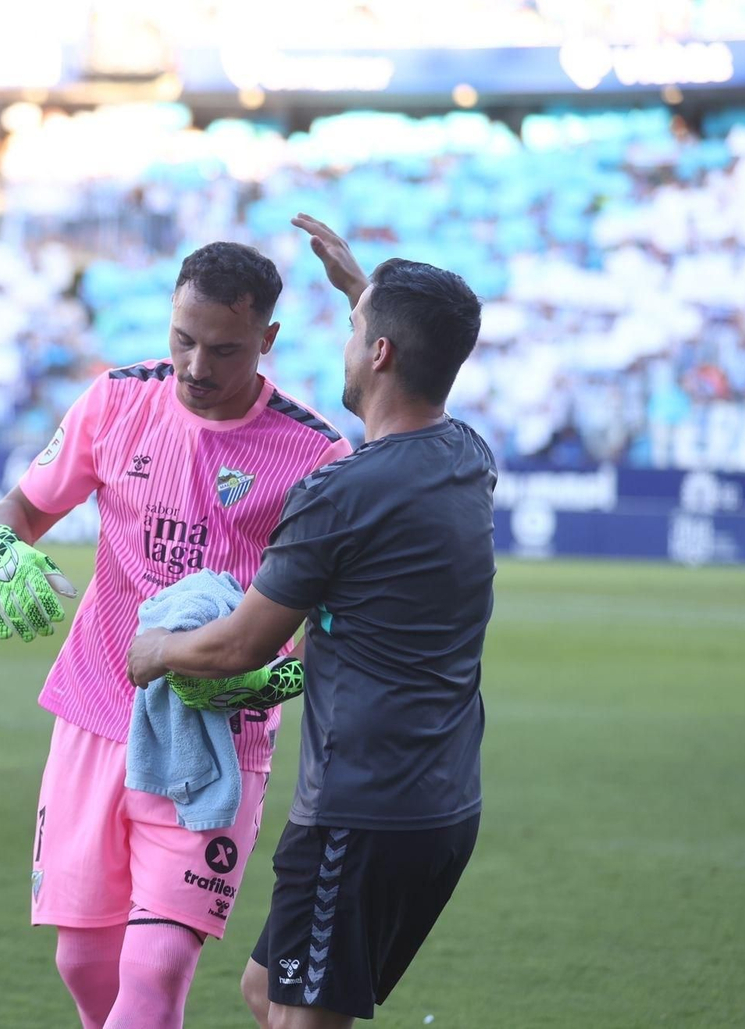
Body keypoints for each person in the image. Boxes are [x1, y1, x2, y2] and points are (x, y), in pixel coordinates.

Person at [0, 227, 355, 1029]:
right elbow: (17, 510)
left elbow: (328, 633)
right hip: (93, 714)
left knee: (155, 965)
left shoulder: (314, 453)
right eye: (183, 340)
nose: (195, 367)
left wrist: (267, 680)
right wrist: (4, 552)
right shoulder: (117, 400)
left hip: (215, 734)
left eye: (223, 350)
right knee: (85, 960)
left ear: (267, 341)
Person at [127, 248, 495, 1029]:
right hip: (443, 803)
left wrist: (155, 650)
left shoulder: (341, 494)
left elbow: (239, 648)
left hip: (359, 814)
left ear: (380, 352)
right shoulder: (467, 456)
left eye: (356, 327)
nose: (346, 340)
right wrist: (374, 295)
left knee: (300, 1020)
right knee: (266, 991)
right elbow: (420, 349)